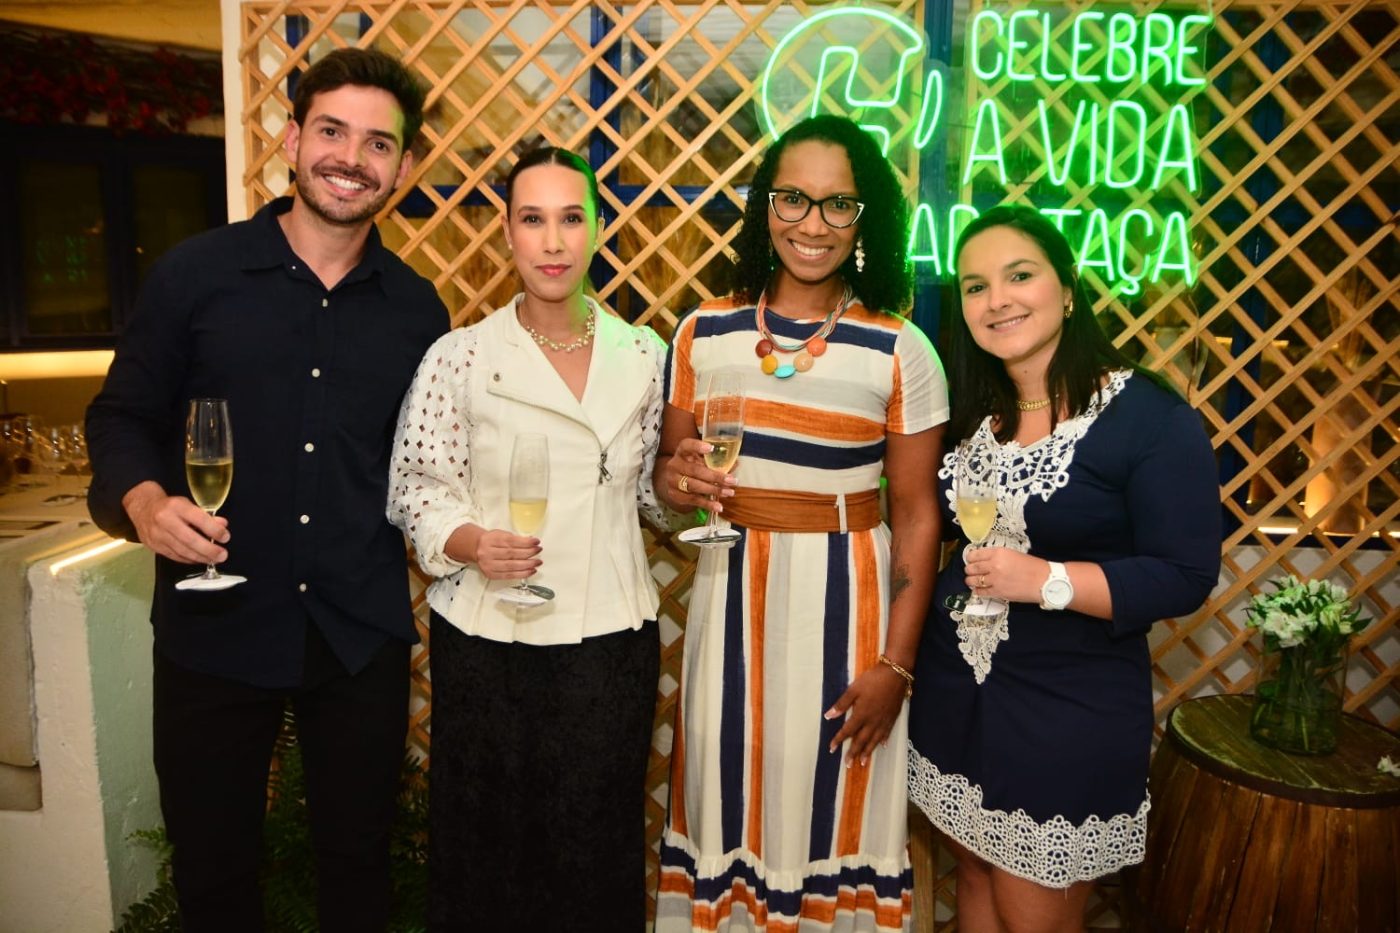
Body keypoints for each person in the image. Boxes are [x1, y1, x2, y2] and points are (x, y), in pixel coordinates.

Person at [85, 48, 449, 932]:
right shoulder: (195, 275)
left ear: (403, 168)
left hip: (354, 635)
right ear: (291, 139)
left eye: (377, 144)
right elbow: (120, 417)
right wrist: (141, 502)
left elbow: (433, 470)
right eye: (331, 130)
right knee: (214, 878)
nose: (349, 158)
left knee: (358, 872)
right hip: (215, 628)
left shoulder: (419, 312)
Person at [654, 114, 948, 931]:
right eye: (792, 198)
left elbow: (919, 517)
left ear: (866, 219)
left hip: (848, 632)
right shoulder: (701, 332)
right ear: (764, 205)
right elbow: (672, 473)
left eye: (836, 205)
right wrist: (676, 478)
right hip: (727, 624)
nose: (811, 223)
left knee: (834, 817)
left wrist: (897, 662)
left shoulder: (899, 349)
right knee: (727, 801)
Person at [907, 205, 1221, 932]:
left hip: (1066, 713)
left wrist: (1044, 579)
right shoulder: (974, 415)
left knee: (1034, 913)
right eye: (975, 285)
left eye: (1019, 275)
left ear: (1070, 289)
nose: (997, 299)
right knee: (976, 888)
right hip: (959, 700)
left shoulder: (1147, 415)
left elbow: (1184, 571)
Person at [387, 146, 664, 929]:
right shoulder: (462, 356)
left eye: (571, 218)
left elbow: (651, 499)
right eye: (532, 219)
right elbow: (414, 486)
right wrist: (472, 540)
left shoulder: (644, 354)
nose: (553, 241)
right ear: (506, 233)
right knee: (486, 852)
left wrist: (687, 488)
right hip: (489, 636)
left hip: (609, 640)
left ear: (598, 229)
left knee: (596, 846)